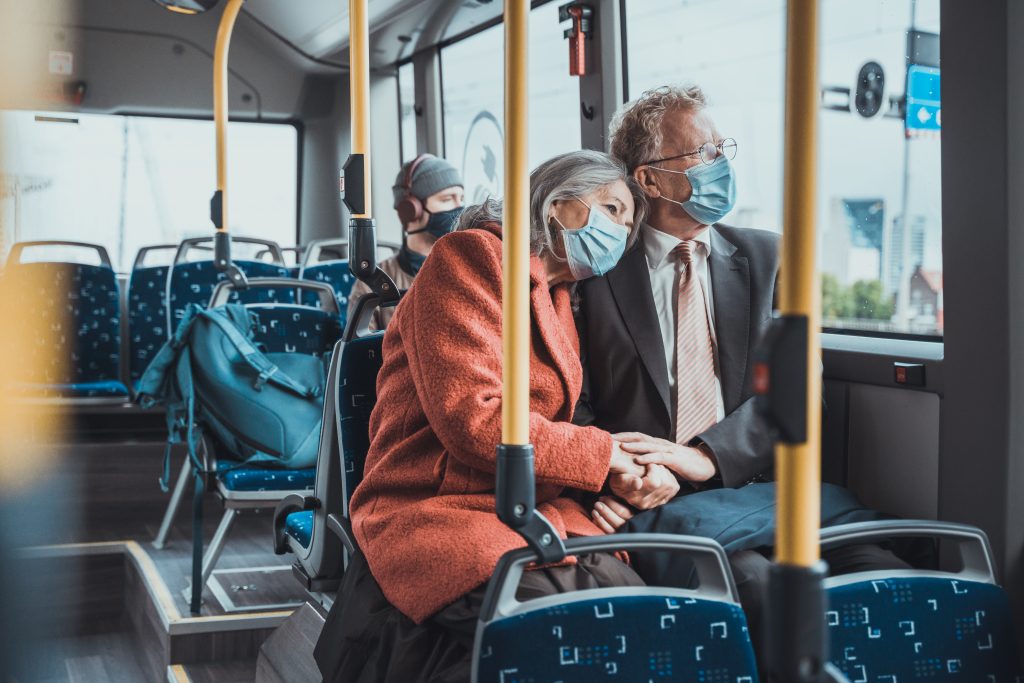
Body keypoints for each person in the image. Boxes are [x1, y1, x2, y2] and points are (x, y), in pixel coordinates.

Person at [315, 150, 680, 683]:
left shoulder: (556, 298)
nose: (620, 231)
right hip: (434, 504)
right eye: (611, 208)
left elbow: (557, 424)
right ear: (557, 205)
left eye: (627, 222)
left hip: (519, 503)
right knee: (565, 624)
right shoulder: (469, 259)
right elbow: (476, 418)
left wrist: (615, 480)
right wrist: (606, 458)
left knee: (638, 609)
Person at [573, 84, 910, 657]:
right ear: (649, 181)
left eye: (722, 148)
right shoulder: (594, 275)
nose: (720, 164)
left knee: (884, 574)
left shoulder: (768, 257)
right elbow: (570, 402)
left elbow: (797, 392)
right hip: (660, 501)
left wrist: (703, 457)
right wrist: (617, 475)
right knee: (752, 587)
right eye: (702, 154)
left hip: (766, 490)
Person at [346, 153, 465, 330]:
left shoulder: (468, 270)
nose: (460, 208)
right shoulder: (372, 283)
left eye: (461, 199)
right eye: (447, 199)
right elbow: (361, 352)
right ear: (410, 210)